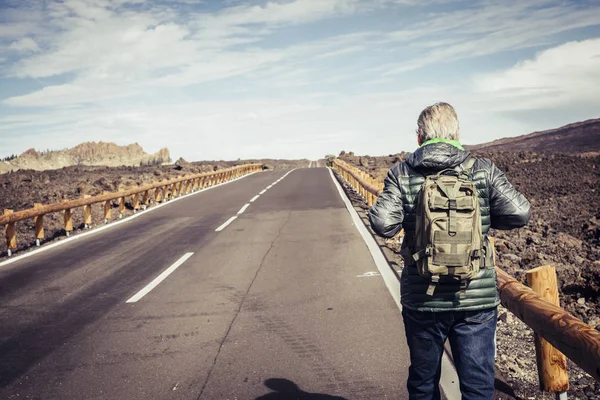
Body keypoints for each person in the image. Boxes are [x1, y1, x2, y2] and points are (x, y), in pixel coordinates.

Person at [368, 102, 530, 400]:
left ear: (419, 137)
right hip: (475, 299)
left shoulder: (402, 173)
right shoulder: (482, 169)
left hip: (422, 298)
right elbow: (520, 213)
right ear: (457, 133)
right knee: (478, 385)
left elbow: (382, 223)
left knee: (423, 381)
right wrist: (483, 220)